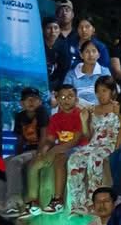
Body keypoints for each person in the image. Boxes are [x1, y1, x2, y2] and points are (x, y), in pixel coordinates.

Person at [62, 75, 121, 217]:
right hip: (94, 144)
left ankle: (93, 202)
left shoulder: (118, 107)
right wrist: (84, 120)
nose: (100, 95)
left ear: (112, 91)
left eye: (104, 91)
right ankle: (77, 205)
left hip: (111, 144)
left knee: (94, 159)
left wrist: (118, 148)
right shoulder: (92, 109)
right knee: (74, 159)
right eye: (98, 91)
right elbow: (88, 136)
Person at [29, 84, 85, 213]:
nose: (66, 100)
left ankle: (58, 200)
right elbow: (50, 139)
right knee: (34, 164)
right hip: (60, 147)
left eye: (70, 96)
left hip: (78, 148)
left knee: (59, 159)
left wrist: (53, 151)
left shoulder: (80, 115)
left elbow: (75, 141)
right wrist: (44, 150)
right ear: (58, 100)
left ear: (76, 99)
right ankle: (32, 202)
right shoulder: (55, 118)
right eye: (63, 97)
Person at [2, 88, 46, 215]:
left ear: (40, 102)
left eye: (34, 99)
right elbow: (20, 140)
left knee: (15, 162)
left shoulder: (42, 114)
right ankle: (0, 201)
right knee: (4, 162)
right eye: (27, 99)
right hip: (26, 151)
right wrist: (16, 154)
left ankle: (15, 202)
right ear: (22, 103)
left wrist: (39, 154)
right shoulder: (19, 116)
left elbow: (44, 137)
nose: (31, 102)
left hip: (39, 149)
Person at [69, 40, 107, 108]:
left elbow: (110, 92)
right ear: (81, 55)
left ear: (99, 55)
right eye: (87, 51)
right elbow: (67, 94)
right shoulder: (71, 75)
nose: (91, 54)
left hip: (101, 109)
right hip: (78, 109)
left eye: (94, 51)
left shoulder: (105, 71)